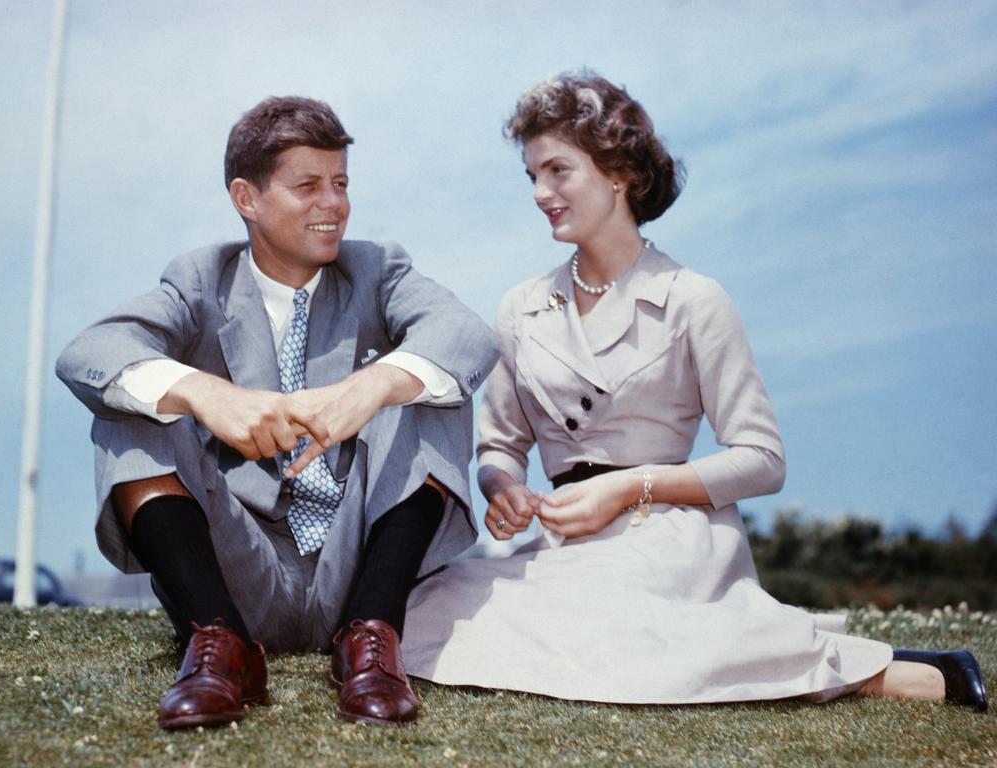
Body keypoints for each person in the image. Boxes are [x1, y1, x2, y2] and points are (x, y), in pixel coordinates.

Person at [400, 72, 988, 712]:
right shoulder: (520, 308)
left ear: (619, 170)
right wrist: (503, 488)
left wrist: (627, 487)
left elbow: (763, 459)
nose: (541, 193)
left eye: (558, 171)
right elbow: (501, 446)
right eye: (532, 176)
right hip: (563, 546)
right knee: (426, 611)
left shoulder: (694, 299)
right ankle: (761, 641)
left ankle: (905, 674)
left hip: (671, 534)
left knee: (611, 625)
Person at [56, 96, 499, 728]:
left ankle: (372, 646)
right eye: (308, 186)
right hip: (239, 568)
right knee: (133, 396)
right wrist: (207, 394)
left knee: (425, 380)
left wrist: (371, 386)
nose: (334, 204)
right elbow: (88, 353)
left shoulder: (377, 269)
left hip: (358, 568)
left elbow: (467, 334)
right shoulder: (198, 279)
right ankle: (219, 649)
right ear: (247, 197)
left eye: (341, 184)